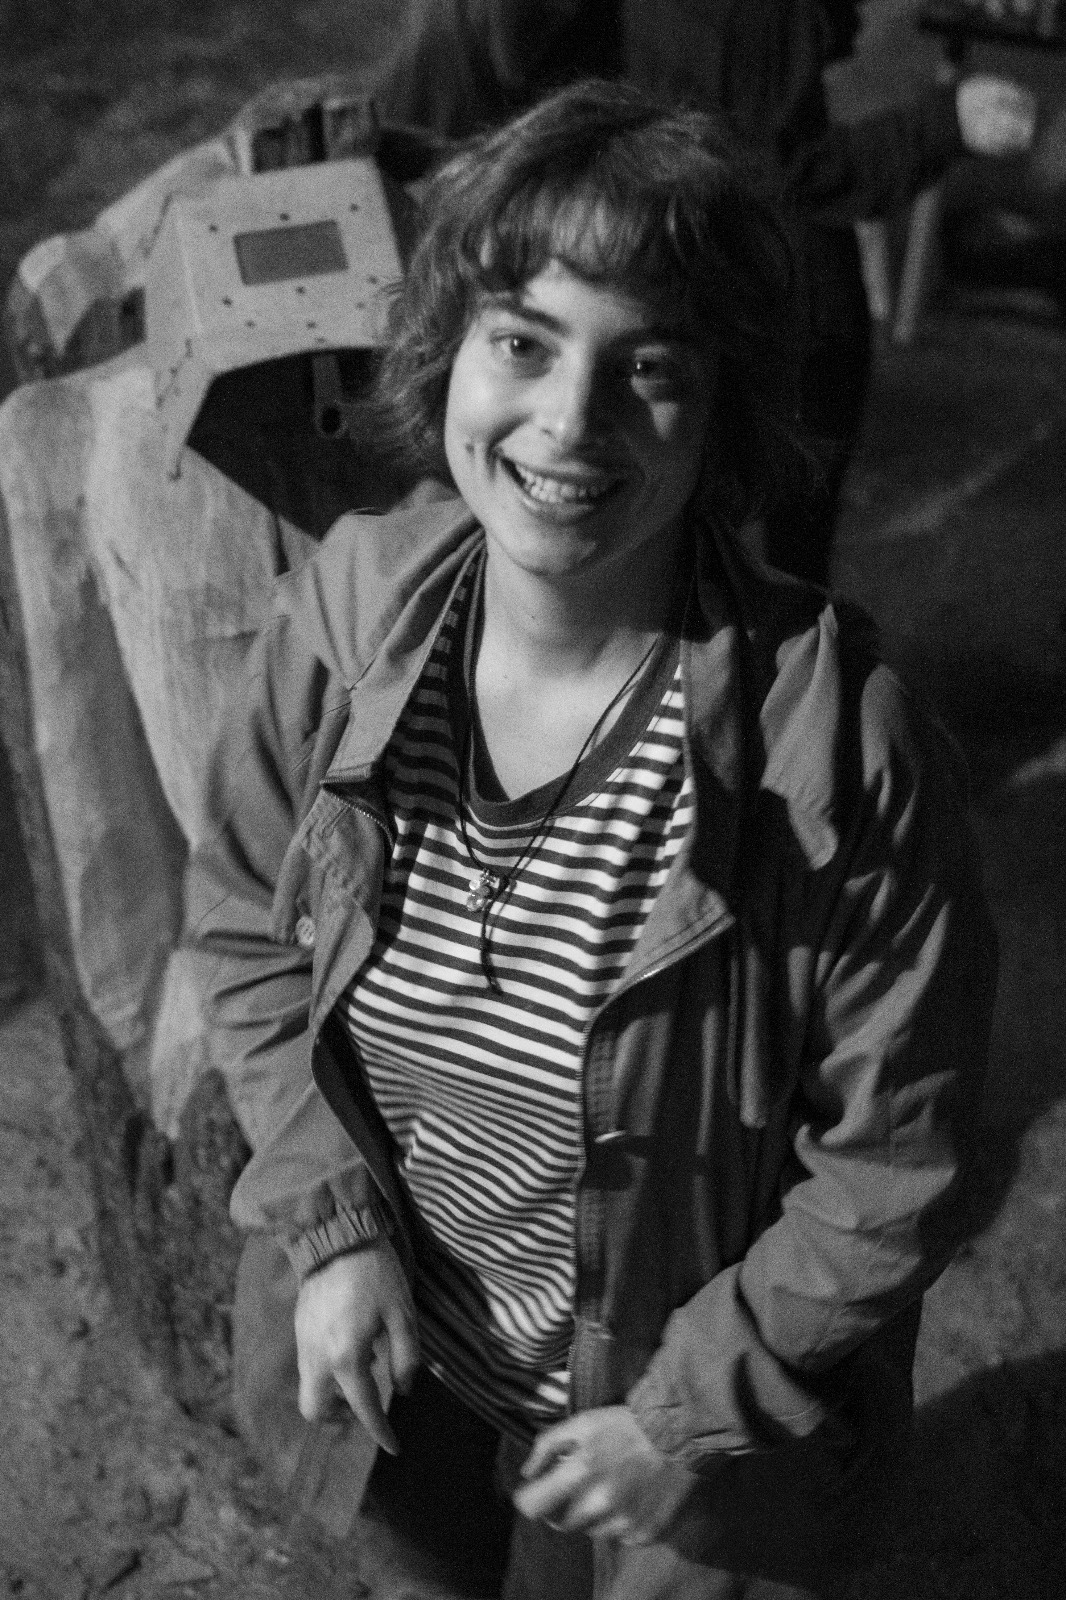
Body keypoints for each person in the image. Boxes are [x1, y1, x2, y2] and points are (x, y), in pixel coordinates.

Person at [189, 79, 997, 1599]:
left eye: (650, 366)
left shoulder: (838, 743)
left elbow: (894, 1157)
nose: (569, 422)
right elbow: (242, 919)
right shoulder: (351, 616)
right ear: (447, 349)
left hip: (669, 1440)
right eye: (523, 342)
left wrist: (682, 1419)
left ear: (725, 407)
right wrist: (333, 1226)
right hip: (398, 1357)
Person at [370, 0, 1037, 585]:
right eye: (520, 346)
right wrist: (945, 123)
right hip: (750, 303)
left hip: (645, 275)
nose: (569, 418)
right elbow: (779, 170)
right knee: (745, 557)